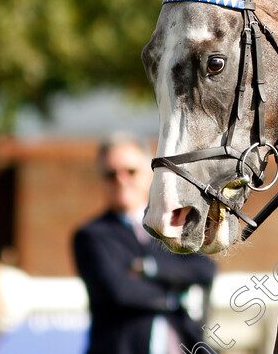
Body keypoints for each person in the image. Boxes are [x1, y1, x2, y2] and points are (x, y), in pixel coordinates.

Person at [73, 133, 216, 354]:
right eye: (111, 174)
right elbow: (118, 290)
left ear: (149, 174)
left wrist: (150, 268)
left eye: (130, 171)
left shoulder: (173, 226)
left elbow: (204, 270)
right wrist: (175, 296)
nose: (121, 180)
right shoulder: (91, 236)